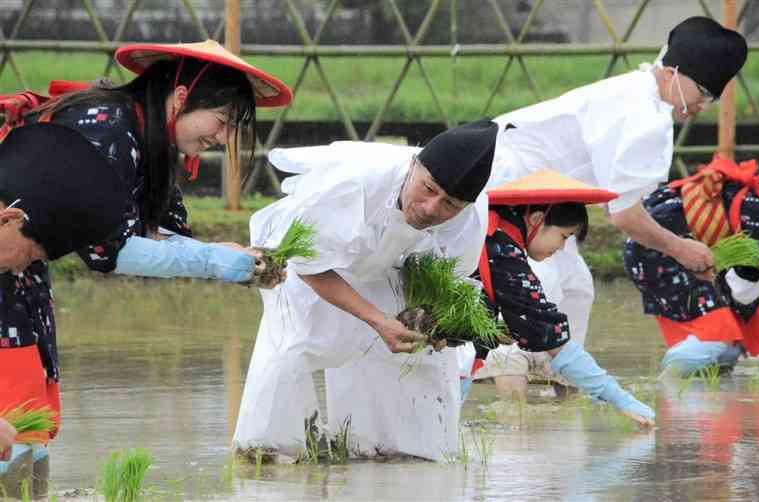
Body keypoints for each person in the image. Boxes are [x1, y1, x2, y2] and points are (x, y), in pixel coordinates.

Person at [0, 39, 292, 494]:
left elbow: (155, 232)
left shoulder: (146, 140)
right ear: (180, 100)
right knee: (11, 418)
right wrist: (213, 261)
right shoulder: (109, 129)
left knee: (27, 417)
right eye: (223, 122)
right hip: (8, 253)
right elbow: (107, 251)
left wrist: (221, 253)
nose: (223, 138)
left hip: (22, 269)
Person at [479, 16, 748, 386]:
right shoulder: (642, 115)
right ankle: (512, 419)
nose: (703, 104)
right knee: (539, 288)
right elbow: (623, 215)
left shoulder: (645, 97)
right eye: (702, 91)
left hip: (547, 196)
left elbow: (618, 203)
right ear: (673, 72)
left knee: (576, 287)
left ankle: (562, 398)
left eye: (712, 98)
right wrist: (680, 249)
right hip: (512, 186)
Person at [234, 120, 497, 461]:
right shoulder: (355, 184)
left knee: (418, 357)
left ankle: (386, 453)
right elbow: (309, 264)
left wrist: (435, 325)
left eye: (449, 205)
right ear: (414, 165)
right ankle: (272, 455)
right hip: (312, 261)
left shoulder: (470, 218)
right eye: (428, 189)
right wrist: (376, 319)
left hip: (388, 265)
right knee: (293, 345)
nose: (432, 209)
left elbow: (447, 283)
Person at [465, 169, 654, 426]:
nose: (562, 247)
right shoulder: (502, 251)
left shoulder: (489, 232)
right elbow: (549, 335)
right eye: (564, 236)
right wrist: (618, 398)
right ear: (536, 219)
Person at [623, 154, 759, 377]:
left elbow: (754, 267)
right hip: (662, 254)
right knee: (717, 337)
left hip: (686, 256)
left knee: (735, 339)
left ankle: (716, 400)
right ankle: (669, 387)